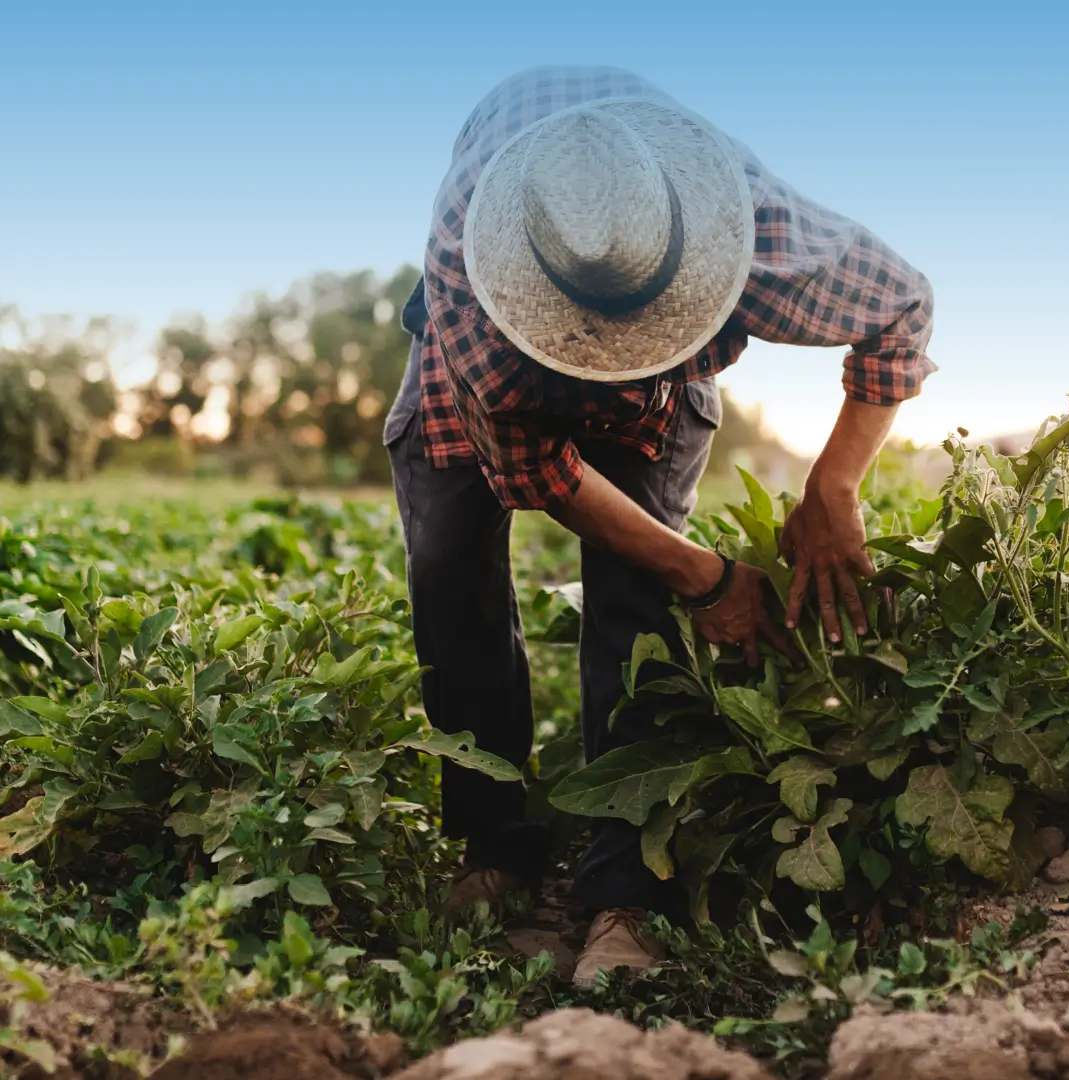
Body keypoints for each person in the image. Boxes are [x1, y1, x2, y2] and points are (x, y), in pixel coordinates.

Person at [383, 66, 935, 988]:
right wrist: (710, 576)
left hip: (663, 383)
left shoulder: (751, 229)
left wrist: (834, 487)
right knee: (449, 571)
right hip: (481, 368)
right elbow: (539, 472)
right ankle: (496, 842)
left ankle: (625, 893)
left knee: (636, 610)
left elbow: (902, 309)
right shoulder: (471, 279)